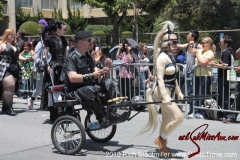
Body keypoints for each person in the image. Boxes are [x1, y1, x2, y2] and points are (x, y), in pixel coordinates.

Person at [139, 21, 184, 158]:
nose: (177, 44)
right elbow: (159, 78)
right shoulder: (162, 58)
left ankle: (162, 149)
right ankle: (161, 139)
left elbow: (174, 76)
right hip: (161, 91)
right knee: (179, 117)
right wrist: (164, 95)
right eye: (174, 42)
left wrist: (178, 91)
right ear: (167, 43)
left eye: (177, 41)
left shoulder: (171, 57)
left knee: (166, 121)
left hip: (169, 91)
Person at [65, 31, 115, 128]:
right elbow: (72, 78)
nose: (91, 43)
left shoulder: (88, 56)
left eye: (91, 41)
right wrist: (92, 75)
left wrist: (101, 72)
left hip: (88, 87)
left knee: (109, 83)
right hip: (74, 89)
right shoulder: (72, 57)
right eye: (89, 40)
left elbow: (94, 69)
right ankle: (101, 118)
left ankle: (110, 112)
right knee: (91, 90)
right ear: (81, 42)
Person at [42, 20, 68, 122]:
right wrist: (47, 65)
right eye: (64, 29)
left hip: (62, 67)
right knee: (53, 91)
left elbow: (66, 56)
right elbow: (44, 55)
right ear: (57, 29)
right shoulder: (49, 39)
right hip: (53, 67)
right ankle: (54, 115)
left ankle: (63, 114)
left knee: (63, 90)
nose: (65, 31)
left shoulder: (64, 40)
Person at [208, 35, 236, 123]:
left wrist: (214, 65)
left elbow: (225, 66)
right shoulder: (225, 52)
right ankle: (223, 114)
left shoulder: (227, 52)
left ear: (226, 44)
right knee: (222, 96)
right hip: (223, 77)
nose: (219, 44)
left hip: (224, 77)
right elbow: (223, 64)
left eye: (221, 42)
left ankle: (229, 115)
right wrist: (216, 63)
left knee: (225, 97)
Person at [0, 29, 27, 116]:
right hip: (5, 67)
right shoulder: (2, 44)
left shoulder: (15, 45)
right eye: (12, 34)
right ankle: (9, 107)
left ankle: (4, 107)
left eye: (14, 34)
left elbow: (18, 56)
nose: (14, 36)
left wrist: (25, 58)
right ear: (7, 35)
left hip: (15, 68)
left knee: (7, 89)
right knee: (10, 86)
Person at [189, 37, 216, 119]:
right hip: (197, 75)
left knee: (203, 94)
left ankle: (203, 112)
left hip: (205, 76)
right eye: (201, 42)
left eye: (204, 43)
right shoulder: (201, 51)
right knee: (195, 93)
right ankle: (195, 110)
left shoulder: (210, 53)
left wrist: (197, 54)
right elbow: (191, 51)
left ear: (208, 43)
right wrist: (190, 44)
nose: (202, 44)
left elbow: (203, 63)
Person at [28, 19, 51, 110]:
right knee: (39, 88)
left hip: (49, 68)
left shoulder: (51, 43)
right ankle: (31, 99)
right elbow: (36, 57)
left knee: (49, 87)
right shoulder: (40, 44)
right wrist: (40, 63)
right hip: (39, 69)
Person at [178, 30, 202, 117]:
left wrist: (192, 46)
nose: (187, 36)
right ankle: (191, 110)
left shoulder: (198, 46)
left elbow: (202, 52)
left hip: (193, 72)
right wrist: (171, 41)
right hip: (187, 72)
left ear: (193, 37)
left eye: (189, 34)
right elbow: (179, 46)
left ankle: (193, 110)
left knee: (192, 92)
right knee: (188, 92)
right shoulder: (187, 45)